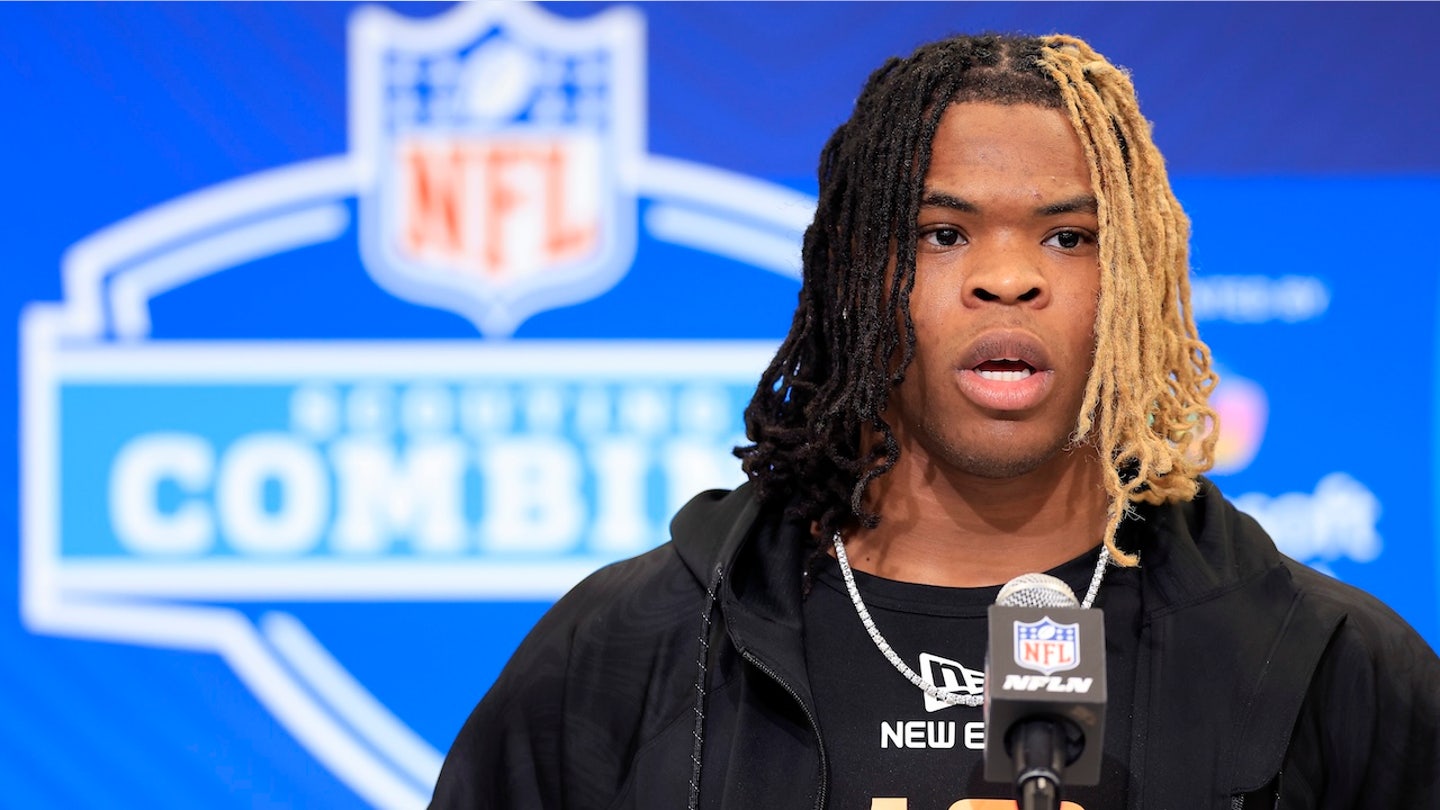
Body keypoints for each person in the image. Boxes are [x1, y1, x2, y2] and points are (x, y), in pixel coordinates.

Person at [429, 33, 1440, 810]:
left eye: (1069, 237)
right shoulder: (626, 650)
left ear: (1137, 280)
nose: (1008, 278)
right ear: (854, 277)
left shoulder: (1328, 665)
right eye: (943, 233)